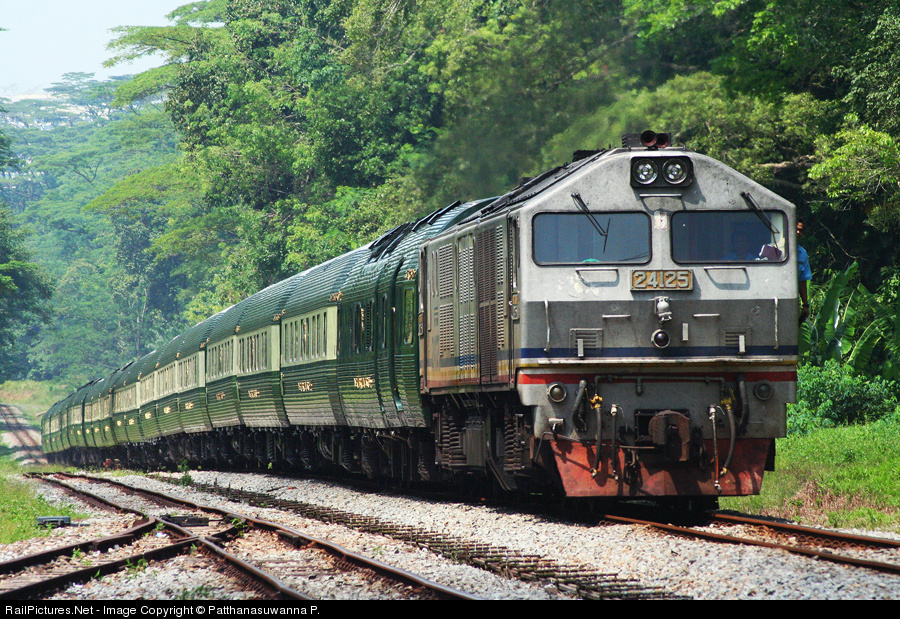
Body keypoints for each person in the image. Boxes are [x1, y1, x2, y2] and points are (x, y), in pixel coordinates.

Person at [797, 218, 811, 322]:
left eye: (801, 230)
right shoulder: (773, 249)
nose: (798, 232)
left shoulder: (802, 253)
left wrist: (805, 305)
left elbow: (802, 280)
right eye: (796, 229)